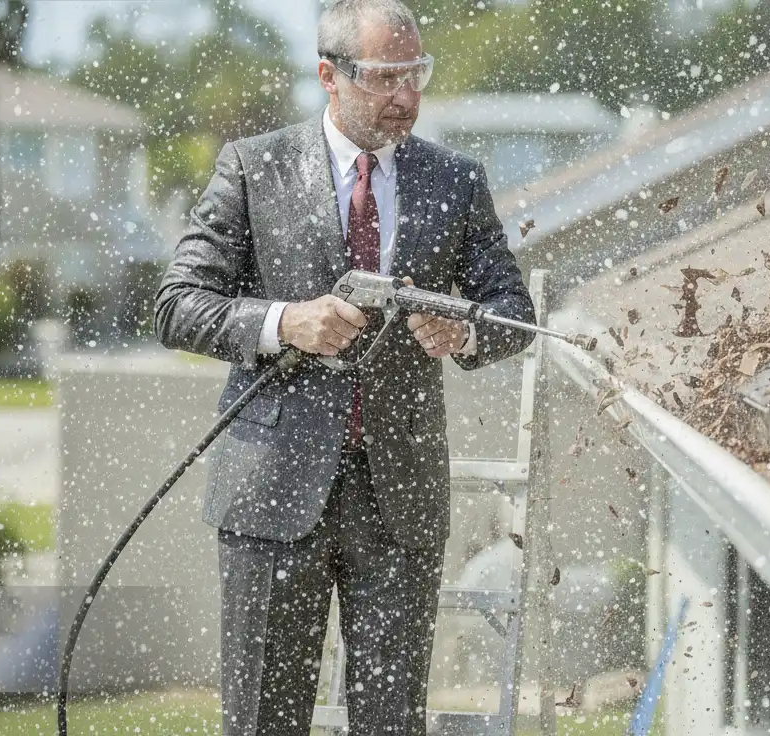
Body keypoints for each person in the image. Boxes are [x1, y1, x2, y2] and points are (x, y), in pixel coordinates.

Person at [154, 0, 535, 732]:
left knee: (392, 722)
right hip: (271, 493)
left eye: (415, 74)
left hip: (399, 499)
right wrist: (282, 321)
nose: (406, 96)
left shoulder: (454, 181)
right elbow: (177, 304)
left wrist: (463, 333)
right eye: (386, 77)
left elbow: (509, 310)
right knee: (265, 719)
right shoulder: (252, 167)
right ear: (329, 75)